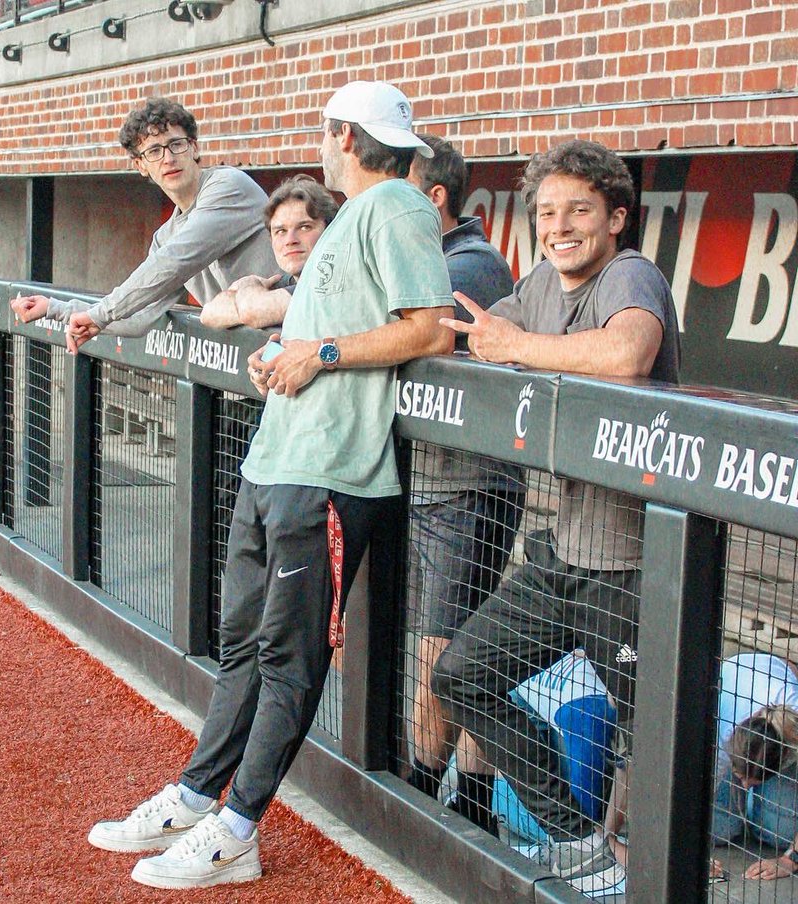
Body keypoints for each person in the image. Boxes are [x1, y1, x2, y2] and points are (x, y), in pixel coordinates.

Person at [86, 81, 454, 889]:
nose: (321, 145)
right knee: (243, 649)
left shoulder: (395, 205)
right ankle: (193, 796)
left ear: (345, 138)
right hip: (277, 459)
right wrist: (284, 349)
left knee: (287, 661)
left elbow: (428, 325)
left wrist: (316, 355)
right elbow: (324, 326)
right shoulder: (355, 216)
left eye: (327, 133)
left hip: (329, 472)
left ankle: (239, 827)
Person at [431, 139, 681, 895]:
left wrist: (518, 346)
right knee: (461, 677)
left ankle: (642, 867)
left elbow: (629, 352)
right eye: (546, 212)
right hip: (562, 554)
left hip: (638, 561)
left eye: (578, 210)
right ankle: (580, 842)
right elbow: (462, 332)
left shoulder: (630, 272)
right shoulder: (540, 279)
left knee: (653, 733)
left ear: (616, 217)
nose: (560, 225)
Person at [401, 134, 523, 835]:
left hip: (470, 486)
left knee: (442, 651)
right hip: (432, 483)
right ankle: (472, 804)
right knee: (457, 649)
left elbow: (406, 333)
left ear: (435, 197)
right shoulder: (431, 255)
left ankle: (425, 793)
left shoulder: (470, 263)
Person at [11, 97, 279, 349]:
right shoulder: (165, 237)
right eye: (154, 151)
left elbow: (178, 260)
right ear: (140, 165)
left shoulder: (228, 185)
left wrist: (99, 314)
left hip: (295, 343)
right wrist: (54, 308)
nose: (168, 158)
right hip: (252, 366)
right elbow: (139, 316)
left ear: (194, 147)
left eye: (176, 144)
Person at [199, 174, 338, 330]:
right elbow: (208, 314)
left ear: (330, 231)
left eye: (305, 227)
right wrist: (251, 301)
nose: (290, 240)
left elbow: (252, 312)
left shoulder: (335, 283)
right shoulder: (283, 283)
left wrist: (249, 285)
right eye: (280, 231)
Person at [710, 653, 798, 881]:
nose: (746, 785)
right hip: (737, 678)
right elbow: (696, 795)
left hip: (784, 726)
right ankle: (751, 804)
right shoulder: (725, 731)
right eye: (741, 776)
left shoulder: (795, 725)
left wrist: (791, 859)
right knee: (719, 831)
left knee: (778, 834)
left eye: (755, 782)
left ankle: (760, 807)